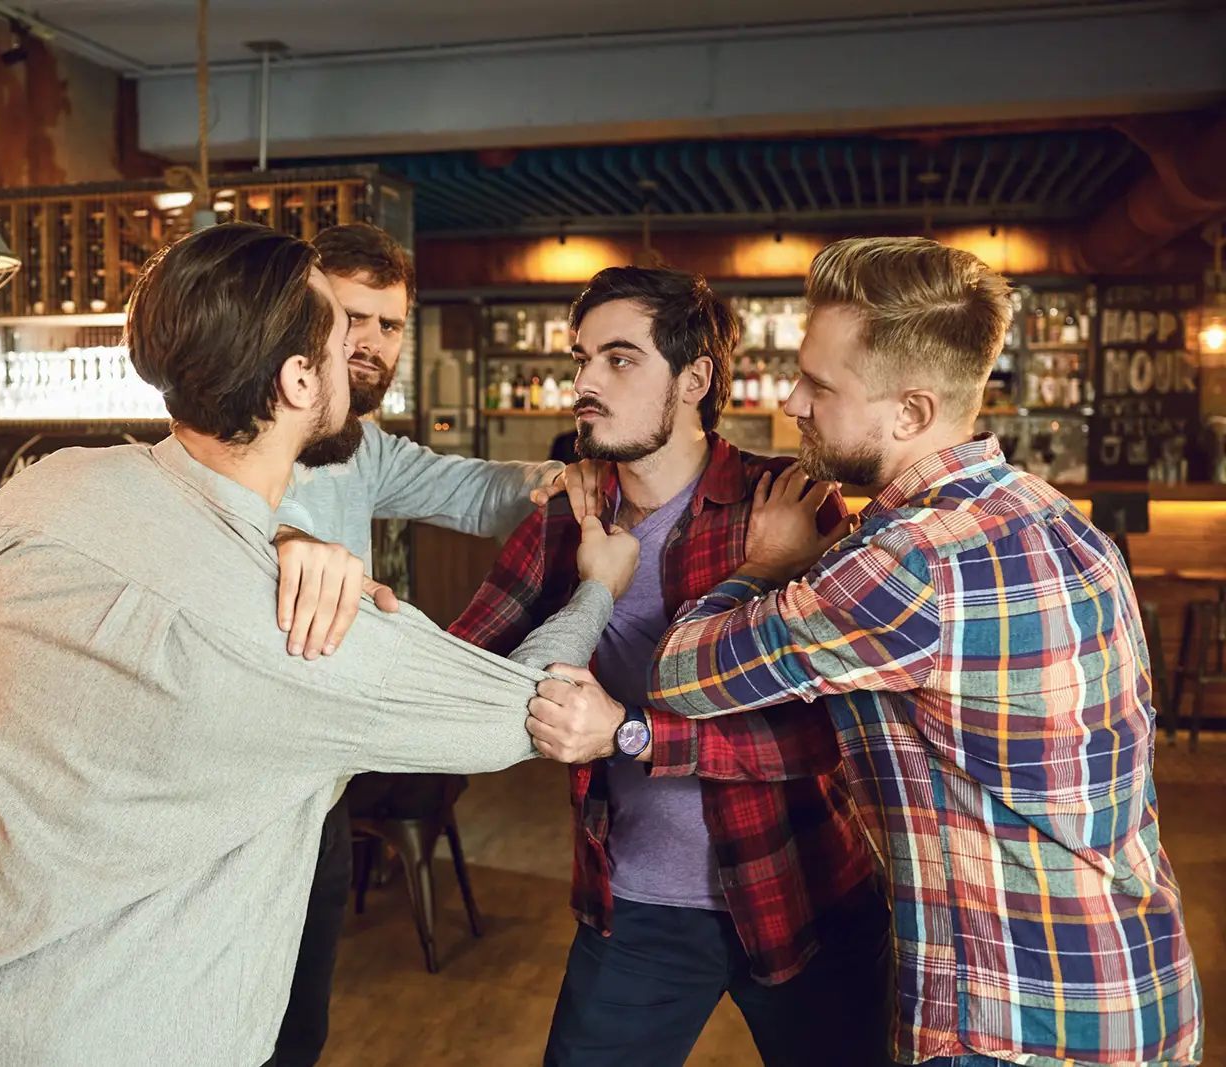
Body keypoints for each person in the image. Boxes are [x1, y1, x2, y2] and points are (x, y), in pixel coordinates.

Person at [0, 222, 639, 1067]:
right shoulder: (310, 631)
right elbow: (538, 708)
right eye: (337, 328)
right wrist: (599, 583)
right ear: (300, 377)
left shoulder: (39, 491)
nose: (362, 345)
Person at [529, 238, 1204, 1066]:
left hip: (1014, 1016)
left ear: (910, 412)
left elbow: (682, 667)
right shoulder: (1059, 517)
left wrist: (765, 567)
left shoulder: (904, 563)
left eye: (819, 384)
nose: (791, 400)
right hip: (1134, 983)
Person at [451, 266, 889, 1067]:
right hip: (638, 908)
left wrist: (630, 734)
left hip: (803, 893)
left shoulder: (788, 506)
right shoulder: (569, 514)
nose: (584, 381)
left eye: (619, 359)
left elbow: (828, 734)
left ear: (695, 379)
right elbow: (464, 661)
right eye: (581, 359)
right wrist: (353, 599)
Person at [265, 222, 581, 1066]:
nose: (369, 343)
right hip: (240, 786)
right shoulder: (239, 420)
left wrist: (562, 482)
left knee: (299, 1027)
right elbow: (210, 508)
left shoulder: (359, 444)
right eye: (350, 318)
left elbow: (472, 491)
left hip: (319, 786)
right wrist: (286, 538)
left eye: (389, 324)